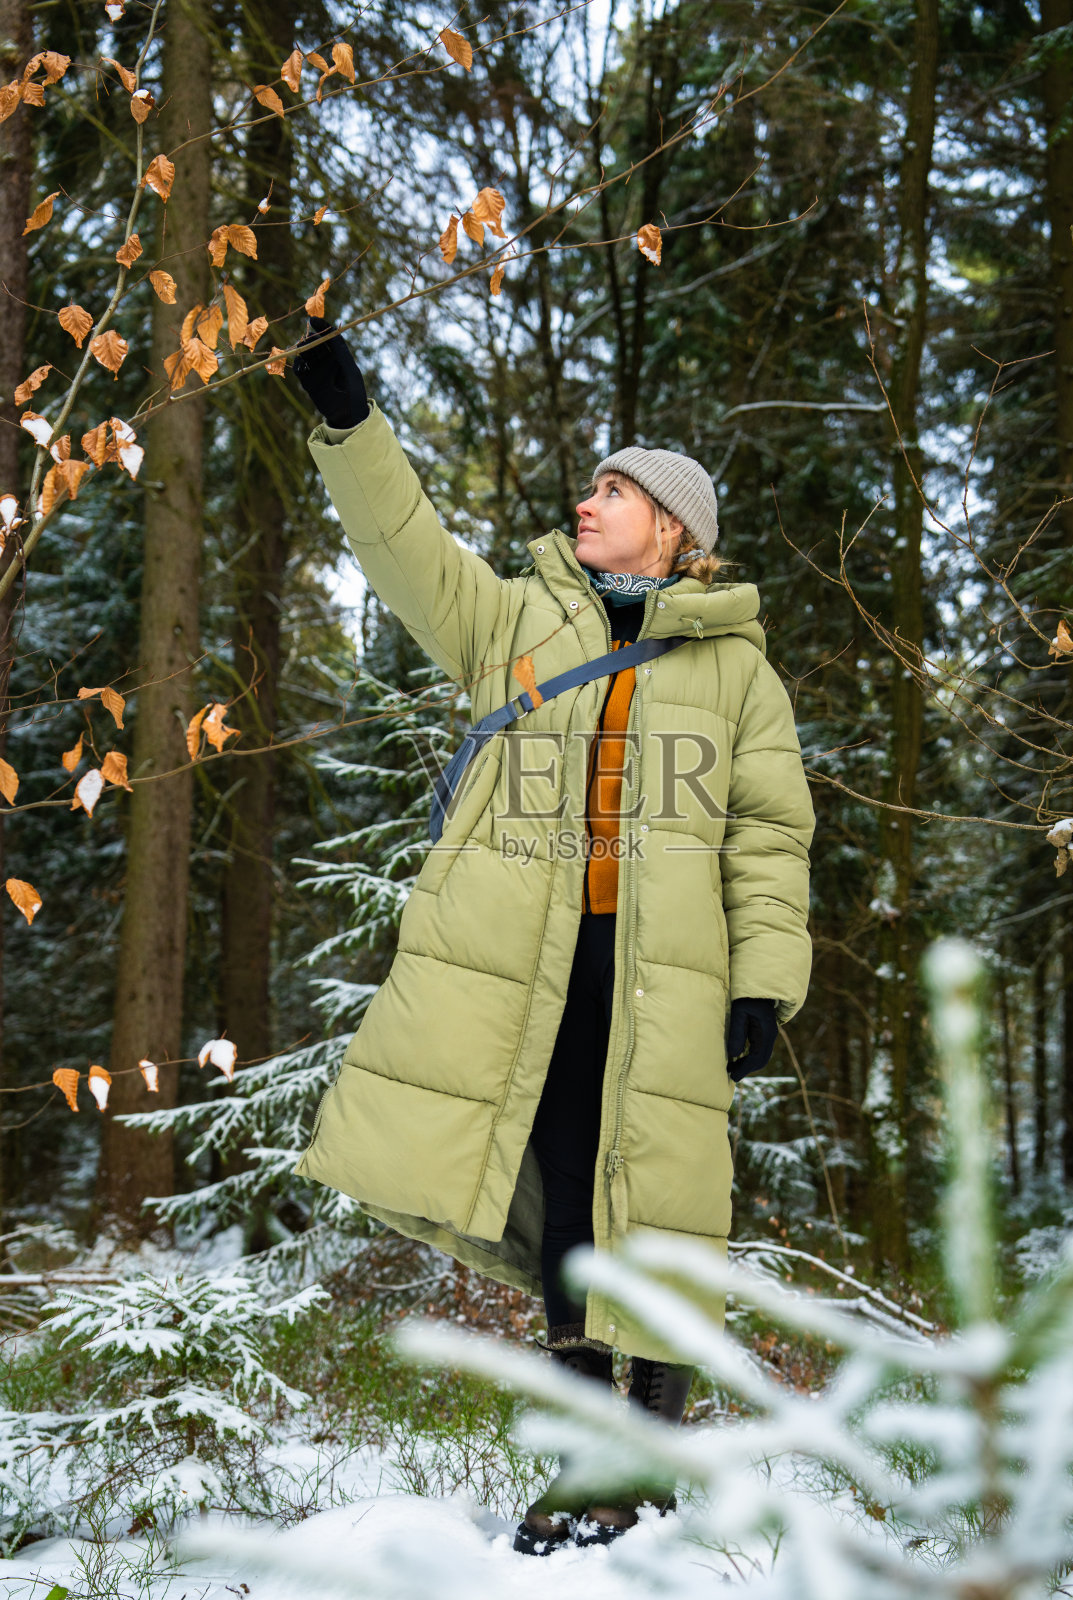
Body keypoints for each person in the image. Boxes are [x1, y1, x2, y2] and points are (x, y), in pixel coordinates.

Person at [289, 317, 815, 1554]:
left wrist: (762, 987)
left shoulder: (741, 673)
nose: (588, 502)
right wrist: (352, 425)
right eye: (590, 487)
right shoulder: (514, 621)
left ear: (675, 530)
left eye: (614, 491)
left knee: (672, 1214)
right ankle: (594, 1472)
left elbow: (769, 837)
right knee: (576, 1211)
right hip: (539, 981)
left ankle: (656, 1460)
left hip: (675, 989)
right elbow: (403, 546)